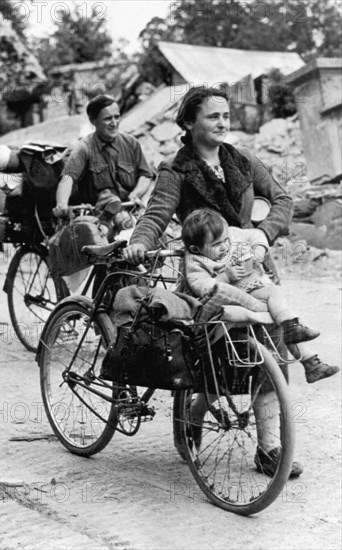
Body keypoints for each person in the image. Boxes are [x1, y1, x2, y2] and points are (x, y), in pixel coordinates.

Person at [123, 85, 302, 477]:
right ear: (189, 122)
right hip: (208, 279)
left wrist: (262, 234)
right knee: (216, 362)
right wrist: (139, 241)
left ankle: (269, 448)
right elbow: (156, 213)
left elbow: (283, 199)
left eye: (225, 115)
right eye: (212, 116)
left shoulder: (242, 159)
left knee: (268, 351)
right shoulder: (176, 169)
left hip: (253, 270)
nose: (223, 123)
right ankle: (194, 412)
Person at [182, 208, 340, 384]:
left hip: (251, 289)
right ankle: (307, 357)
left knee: (276, 299)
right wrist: (224, 277)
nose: (225, 246)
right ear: (195, 248)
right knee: (275, 302)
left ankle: (307, 355)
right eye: (217, 245)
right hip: (230, 298)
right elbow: (201, 285)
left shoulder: (233, 235)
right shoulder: (195, 261)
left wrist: (259, 249)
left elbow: (255, 234)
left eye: (226, 240)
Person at [53, 94, 153, 223]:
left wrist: (136, 193)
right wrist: (62, 204)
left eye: (116, 117)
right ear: (93, 121)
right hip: (97, 217)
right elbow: (68, 178)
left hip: (130, 211)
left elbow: (145, 175)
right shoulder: (84, 147)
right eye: (107, 118)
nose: (114, 123)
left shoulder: (131, 143)